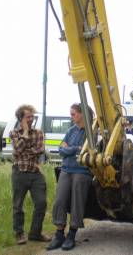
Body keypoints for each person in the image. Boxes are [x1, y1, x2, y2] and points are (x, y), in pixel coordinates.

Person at [47, 103, 94, 251]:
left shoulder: (91, 133)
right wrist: (74, 149)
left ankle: (72, 233)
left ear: (82, 114)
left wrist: (70, 149)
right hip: (67, 169)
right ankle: (59, 233)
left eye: (73, 114)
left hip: (82, 171)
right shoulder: (70, 131)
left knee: (77, 200)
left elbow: (86, 152)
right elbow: (61, 150)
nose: (71, 116)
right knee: (60, 200)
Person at [10, 104, 50, 245]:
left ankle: (35, 233)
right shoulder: (14, 133)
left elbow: (40, 150)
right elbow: (17, 150)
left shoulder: (39, 133)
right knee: (18, 205)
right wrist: (25, 134)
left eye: (32, 117)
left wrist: (24, 150)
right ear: (21, 118)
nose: (31, 119)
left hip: (35, 172)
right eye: (28, 117)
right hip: (19, 172)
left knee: (41, 203)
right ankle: (19, 234)